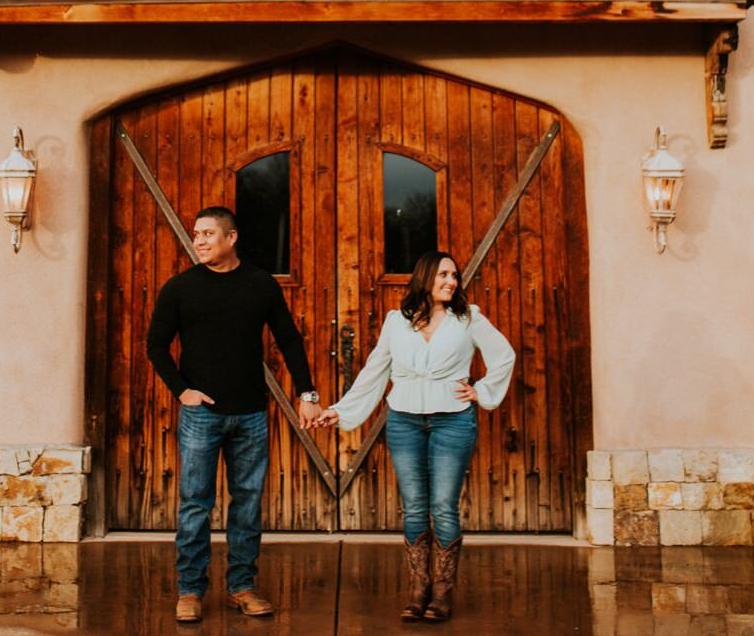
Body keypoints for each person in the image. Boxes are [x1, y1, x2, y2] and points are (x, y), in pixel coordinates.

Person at [145, 204, 320, 624]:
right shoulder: (181, 288)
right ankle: (190, 590)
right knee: (195, 505)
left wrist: (307, 392)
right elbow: (155, 345)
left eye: (207, 233)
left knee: (246, 505)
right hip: (201, 416)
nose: (199, 240)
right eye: (196, 234)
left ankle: (242, 586)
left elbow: (289, 340)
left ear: (231, 237)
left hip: (250, 415)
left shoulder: (260, 285)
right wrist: (182, 390)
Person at [319, 249, 515, 623]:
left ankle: (442, 593)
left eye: (454, 276)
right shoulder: (397, 321)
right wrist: (339, 411)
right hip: (405, 420)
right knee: (413, 506)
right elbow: (375, 372)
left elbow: (503, 355)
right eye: (443, 275)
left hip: (453, 421)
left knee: (442, 505)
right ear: (425, 277)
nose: (451, 282)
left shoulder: (468, 318)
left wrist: (482, 390)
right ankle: (418, 588)